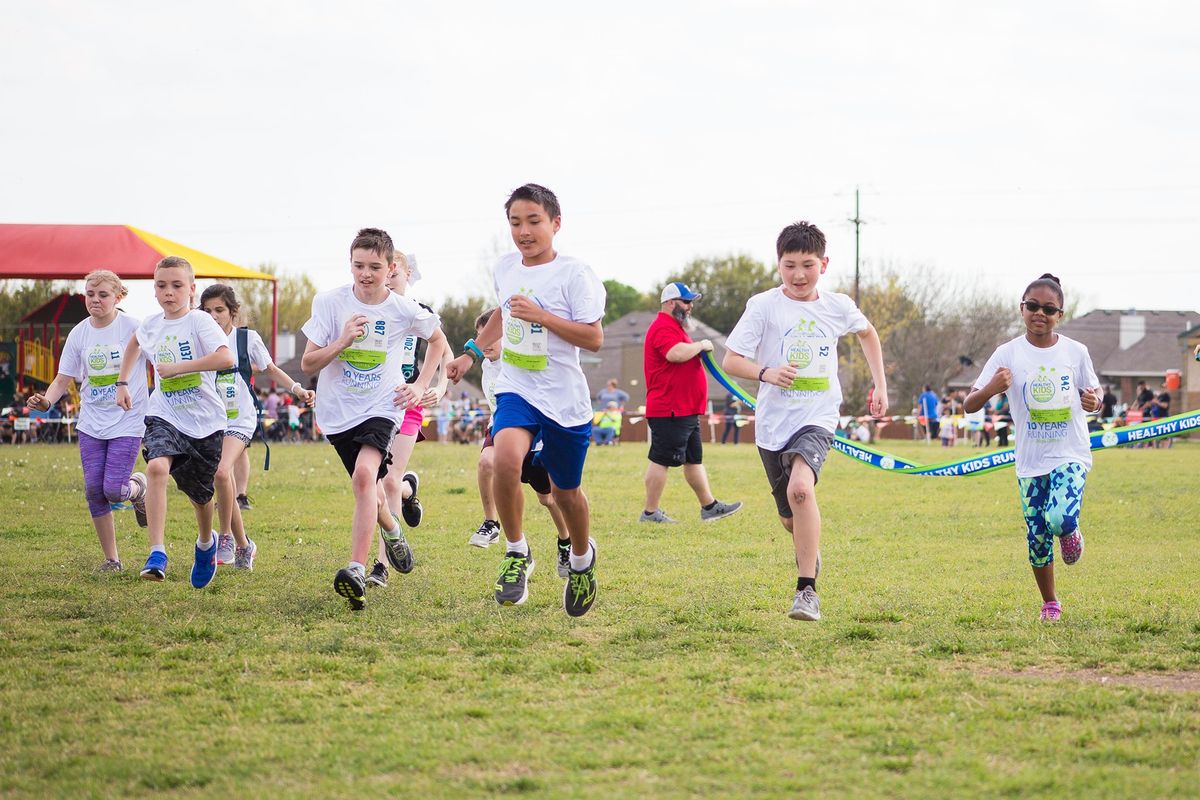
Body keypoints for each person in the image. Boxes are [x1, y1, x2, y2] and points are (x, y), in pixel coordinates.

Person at [446, 183, 604, 616]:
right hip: (516, 387)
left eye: (534, 221)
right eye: (515, 222)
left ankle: (581, 559)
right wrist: (471, 353)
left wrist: (544, 318)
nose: (524, 231)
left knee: (565, 492)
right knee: (503, 460)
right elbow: (501, 311)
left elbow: (593, 338)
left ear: (555, 223)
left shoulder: (575, 274)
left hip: (564, 399)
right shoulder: (505, 268)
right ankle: (516, 552)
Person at [721, 221, 888, 621]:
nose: (798, 275)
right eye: (790, 265)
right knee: (788, 516)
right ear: (778, 264)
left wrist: (881, 386)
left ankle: (806, 590)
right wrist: (766, 372)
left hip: (818, 416)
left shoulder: (837, 306)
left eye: (808, 265)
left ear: (824, 264)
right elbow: (731, 360)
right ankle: (809, 552)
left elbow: (868, 334)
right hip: (773, 424)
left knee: (801, 489)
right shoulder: (762, 306)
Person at [301, 228, 446, 610]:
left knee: (366, 477)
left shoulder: (402, 309)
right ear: (350, 264)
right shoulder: (329, 303)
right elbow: (308, 363)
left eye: (375, 267)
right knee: (375, 489)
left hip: (384, 405)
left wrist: (420, 384)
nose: (365, 274)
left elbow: (438, 342)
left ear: (391, 267)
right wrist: (341, 342)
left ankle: (356, 570)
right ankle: (394, 532)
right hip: (338, 413)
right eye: (358, 265)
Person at [965, 274, 1101, 621]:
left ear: (1060, 314)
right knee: (1037, 536)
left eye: (1049, 309)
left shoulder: (1076, 352)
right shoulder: (1006, 354)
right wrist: (992, 387)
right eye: (1032, 306)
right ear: (1021, 308)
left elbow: (1096, 394)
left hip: (1070, 452)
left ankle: (1071, 530)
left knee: (1058, 518)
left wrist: (1093, 402)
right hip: (1030, 461)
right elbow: (969, 404)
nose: (1040, 313)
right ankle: (1050, 603)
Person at [115, 256, 235, 586]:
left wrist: (180, 368)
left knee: (200, 497)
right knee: (155, 467)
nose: (169, 292)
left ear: (192, 289)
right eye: (162, 285)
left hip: (205, 422)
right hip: (164, 413)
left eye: (177, 285)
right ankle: (157, 551)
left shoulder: (199, 322)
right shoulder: (151, 324)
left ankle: (205, 543)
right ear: (154, 289)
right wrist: (122, 382)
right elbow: (134, 344)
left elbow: (226, 357)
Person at [28, 270, 149, 572]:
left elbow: (160, 364)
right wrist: (47, 400)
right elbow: (62, 378)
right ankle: (112, 560)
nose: (95, 300)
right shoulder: (79, 334)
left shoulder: (135, 328)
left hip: (127, 420)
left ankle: (138, 488)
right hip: (91, 422)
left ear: (119, 297)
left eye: (103, 295)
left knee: (113, 489)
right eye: (90, 294)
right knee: (94, 490)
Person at [199, 284, 314, 570]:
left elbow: (271, 368)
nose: (213, 316)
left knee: (222, 472)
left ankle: (224, 536)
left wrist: (297, 389)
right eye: (207, 311)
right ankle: (244, 546)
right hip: (211, 419)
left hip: (241, 418)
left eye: (219, 310)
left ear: (233, 312)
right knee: (225, 483)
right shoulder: (199, 340)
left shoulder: (246, 339)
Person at [366, 253, 450, 590]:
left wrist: (438, 388)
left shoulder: (420, 312)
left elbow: (446, 354)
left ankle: (381, 565)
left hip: (408, 404)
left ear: (406, 273)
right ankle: (408, 489)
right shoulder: (371, 310)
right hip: (373, 404)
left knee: (384, 484)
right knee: (379, 484)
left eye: (393, 271)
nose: (386, 277)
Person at [467, 309, 573, 576]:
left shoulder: (518, 363)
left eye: (492, 337)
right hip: (501, 426)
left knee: (548, 499)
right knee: (485, 462)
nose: (486, 343)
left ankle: (565, 541)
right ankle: (491, 523)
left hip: (533, 432)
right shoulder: (485, 364)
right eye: (481, 337)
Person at [640, 281, 742, 524]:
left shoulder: (675, 327)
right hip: (670, 408)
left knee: (693, 460)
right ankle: (650, 512)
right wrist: (700, 345)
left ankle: (709, 506)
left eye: (691, 301)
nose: (690, 306)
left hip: (685, 409)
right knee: (661, 459)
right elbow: (674, 354)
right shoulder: (663, 327)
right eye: (686, 301)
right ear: (670, 303)